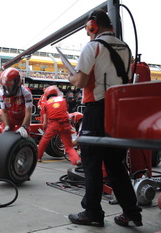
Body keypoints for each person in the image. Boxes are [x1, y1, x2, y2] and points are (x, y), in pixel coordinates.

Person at [67, 10, 142, 227]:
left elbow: (80, 81)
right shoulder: (125, 48)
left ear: (92, 26)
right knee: (115, 164)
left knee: (91, 162)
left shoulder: (93, 47)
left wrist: (71, 76)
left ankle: (92, 212)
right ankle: (131, 212)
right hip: (118, 111)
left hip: (97, 110)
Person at [36, 86, 81, 166]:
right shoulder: (63, 100)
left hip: (53, 124)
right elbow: (66, 112)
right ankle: (76, 160)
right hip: (65, 124)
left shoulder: (46, 103)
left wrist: (45, 130)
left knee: (44, 140)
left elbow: (45, 122)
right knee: (69, 146)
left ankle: (38, 157)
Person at [0, 67, 33, 138]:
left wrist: (24, 126)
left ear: (17, 82)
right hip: (10, 118)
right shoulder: (2, 94)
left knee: (25, 136)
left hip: (22, 118)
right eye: (5, 86)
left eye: (9, 86)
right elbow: (4, 112)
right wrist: (7, 125)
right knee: (4, 136)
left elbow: (28, 112)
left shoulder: (26, 92)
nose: (7, 89)